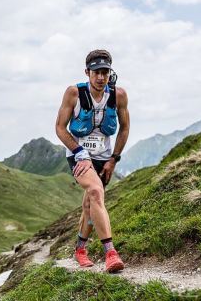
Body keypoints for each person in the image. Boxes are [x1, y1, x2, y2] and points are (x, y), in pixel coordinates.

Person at [55, 49, 130, 272]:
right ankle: (110, 253)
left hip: (104, 158)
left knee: (90, 205)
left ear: (110, 72)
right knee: (96, 193)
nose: (100, 77)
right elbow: (60, 128)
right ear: (87, 72)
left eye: (105, 72)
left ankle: (80, 249)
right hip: (79, 156)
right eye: (96, 72)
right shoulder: (73, 94)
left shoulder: (119, 95)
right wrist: (78, 151)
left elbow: (125, 129)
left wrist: (114, 159)